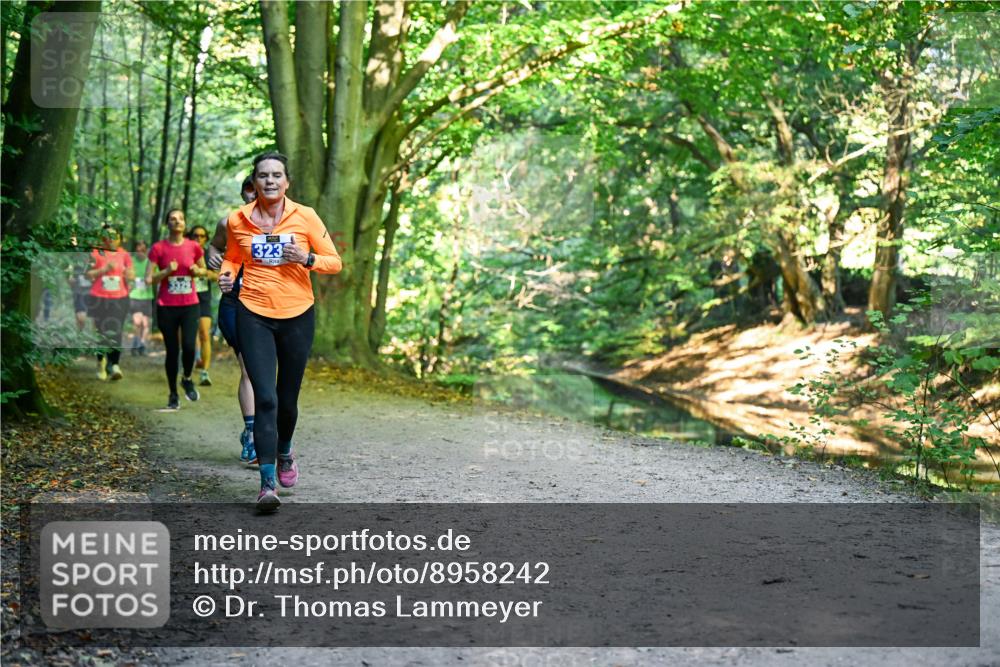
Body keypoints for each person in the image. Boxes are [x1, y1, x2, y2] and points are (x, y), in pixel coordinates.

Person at [219, 152, 342, 510]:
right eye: (263, 176)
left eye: (276, 175)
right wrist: (227, 275)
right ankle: (266, 483)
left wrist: (305, 259)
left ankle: (285, 450)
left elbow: (334, 262)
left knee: (287, 401)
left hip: (297, 314)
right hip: (252, 311)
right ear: (253, 183)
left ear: (287, 182)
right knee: (266, 398)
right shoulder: (238, 220)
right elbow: (232, 256)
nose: (270, 181)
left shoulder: (305, 217)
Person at [207, 176, 258, 463]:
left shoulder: (285, 225)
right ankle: (252, 435)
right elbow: (213, 247)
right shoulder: (229, 224)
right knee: (249, 368)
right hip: (235, 305)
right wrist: (212, 257)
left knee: (266, 372)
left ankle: (263, 430)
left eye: (257, 192)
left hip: (273, 307)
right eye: (247, 192)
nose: (252, 197)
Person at [148, 208, 208, 409]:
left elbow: (204, 271)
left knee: (190, 346)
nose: (177, 222)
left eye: (181, 218)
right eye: (173, 219)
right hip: (167, 306)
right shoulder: (158, 248)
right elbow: (149, 279)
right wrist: (166, 271)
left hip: (190, 305)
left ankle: (187, 378)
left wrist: (196, 270)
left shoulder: (193, 247)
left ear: (184, 223)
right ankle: (173, 393)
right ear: (168, 224)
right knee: (172, 351)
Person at [86, 225, 134, 381]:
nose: (111, 239)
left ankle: (114, 365)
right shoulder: (95, 252)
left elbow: (131, 273)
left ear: (119, 238)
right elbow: (88, 274)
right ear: (103, 238)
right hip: (99, 297)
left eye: (114, 236)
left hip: (120, 297)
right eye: (107, 235)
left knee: (116, 329)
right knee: (101, 331)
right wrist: (104, 269)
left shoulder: (124, 254)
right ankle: (101, 361)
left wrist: (129, 275)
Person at [187, 225, 217, 385]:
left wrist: (204, 272)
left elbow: (218, 276)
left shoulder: (209, 255)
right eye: (195, 235)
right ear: (190, 237)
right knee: (189, 336)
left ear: (206, 238)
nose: (198, 238)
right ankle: (190, 365)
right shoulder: (184, 252)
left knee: (204, 334)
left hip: (203, 299)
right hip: (185, 299)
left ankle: (204, 372)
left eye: (202, 236)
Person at [129, 239, 153, 355]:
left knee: (145, 323)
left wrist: (150, 279)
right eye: (138, 249)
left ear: (146, 250)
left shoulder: (151, 263)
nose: (140, 252)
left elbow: (156, 277)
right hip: (134, 295)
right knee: (137, 322)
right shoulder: (130, 261)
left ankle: (142, 344)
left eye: (143, 249)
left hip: (147, 296)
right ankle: (136, 342)